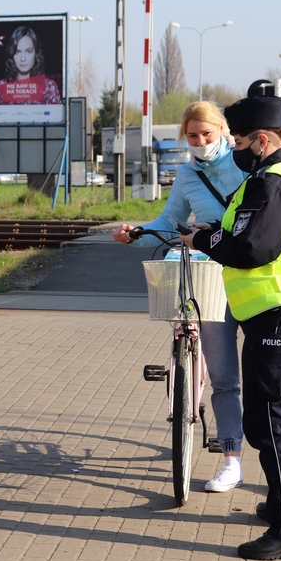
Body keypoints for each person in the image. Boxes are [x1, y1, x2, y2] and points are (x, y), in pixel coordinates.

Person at [181, 95, 281, 561]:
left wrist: (204, 238)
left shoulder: (271, 184)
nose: (236, 148)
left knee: (270, 423)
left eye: (240, 140)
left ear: (262, 140)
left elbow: (251, 249)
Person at [112, 101, 247, 494]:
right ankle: (231, 461)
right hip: (203, 269)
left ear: (223, 130)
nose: (202, 141)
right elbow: (170, 220)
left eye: (208, 133)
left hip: (244, 270)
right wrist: (136, 231)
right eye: (193, 135)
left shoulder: (244, 165)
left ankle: (265, 456)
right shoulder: (187, 174)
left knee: (256, 375)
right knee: (223, 374)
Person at [0, 26, 61, 105]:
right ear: (12, 54)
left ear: (36, 53)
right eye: (18, 52)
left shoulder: (49, 87)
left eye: (28, 51)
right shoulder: (0, 87)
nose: (23, 58)